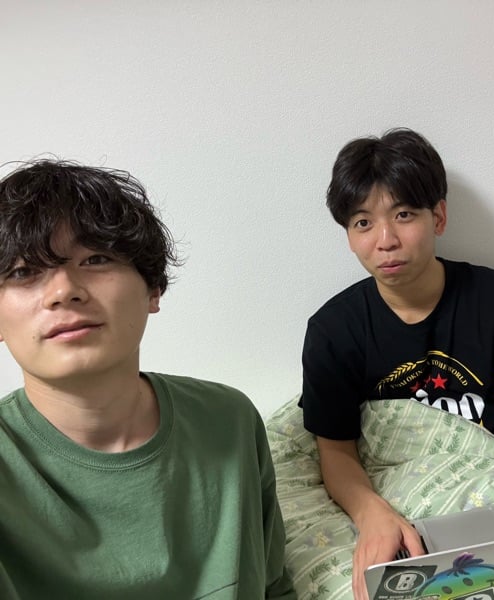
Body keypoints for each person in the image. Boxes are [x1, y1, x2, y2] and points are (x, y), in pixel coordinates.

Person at [299, 128, 494, 600]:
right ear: (349, 236)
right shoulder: (333, 330)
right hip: (400, 501)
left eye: (403, 215)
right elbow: (335, 451)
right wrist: (371, 513)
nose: (385, 240)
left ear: (438, 215)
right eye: (362, 223)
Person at [0, 159, 296, 600]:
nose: (64, 291)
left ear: (152, 288)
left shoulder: (229, 420)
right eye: (23, 271)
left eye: (96, 258)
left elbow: (274, 587)